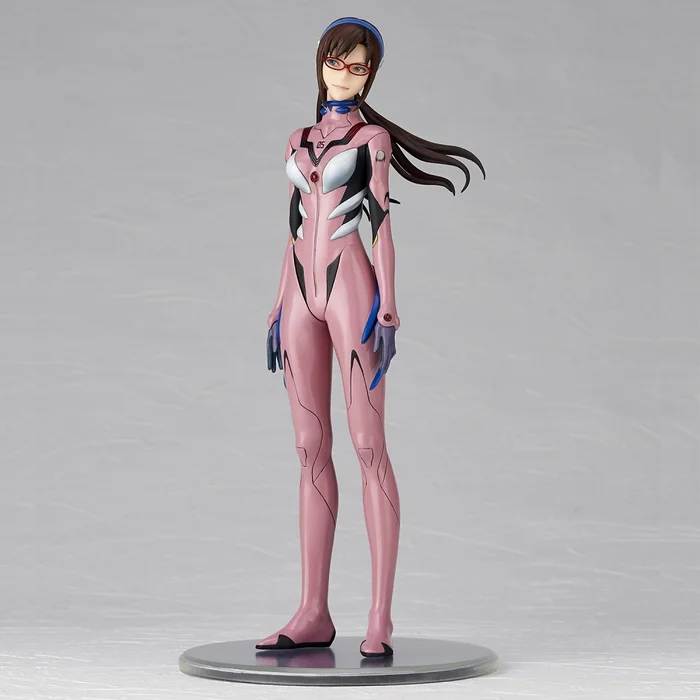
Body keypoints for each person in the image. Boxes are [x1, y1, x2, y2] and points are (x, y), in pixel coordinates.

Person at [258, 16, 485, 658]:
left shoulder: (372, 139)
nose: (344, 73)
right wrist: (276, 304)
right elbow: (293, 224)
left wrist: (390, 303)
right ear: (320, 62)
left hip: (351, 286)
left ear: (370, 76)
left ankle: (379, 617)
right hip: (300, 291)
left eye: (358, 66)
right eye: (336, 61)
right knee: (309, 446)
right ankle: (312, 611)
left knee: (367, 445)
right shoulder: (297, 139)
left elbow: (381, 222)